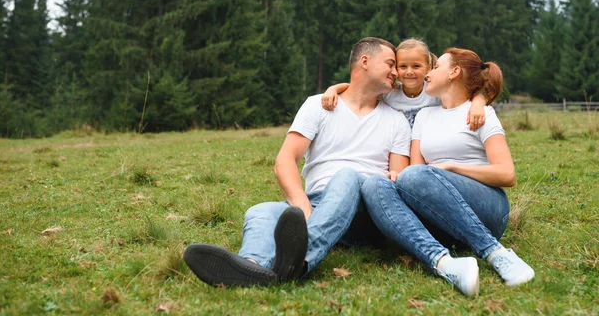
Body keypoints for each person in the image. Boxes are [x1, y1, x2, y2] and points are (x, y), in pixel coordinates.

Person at [184, 37, 412, 287]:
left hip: (364, 210)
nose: (395, 72)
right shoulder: (318, 106)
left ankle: (297, 263)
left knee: (346, 176)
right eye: (390, 64)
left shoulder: (396, 120)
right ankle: (252, 266)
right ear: (365, 61)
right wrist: (304, 208)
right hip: (317, 202)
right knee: (260, 211)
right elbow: (285, 160)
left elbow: (395, 179)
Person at [360, 48, 535, 297]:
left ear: (454, 72)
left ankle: (495, 252)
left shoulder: (481, 113)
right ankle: (445, 263)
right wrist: (394, 178)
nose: (428, 74)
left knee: (415, 175)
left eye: (436, 67)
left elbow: (507, 175)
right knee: (375, 185)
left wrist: (452, 167)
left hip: (486, 208)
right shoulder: (424, 116)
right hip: (440, 217)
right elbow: (414, 173)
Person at [321, 38, 487, 129]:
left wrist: (478, 104)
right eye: (402, 66)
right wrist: (332, 89)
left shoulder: (433, 92)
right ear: (396, 69)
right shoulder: (390, 93)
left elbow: (469, 95)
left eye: (416, 66)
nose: (409, 72)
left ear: (428, 67)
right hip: (398, 150)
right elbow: (358, 89)